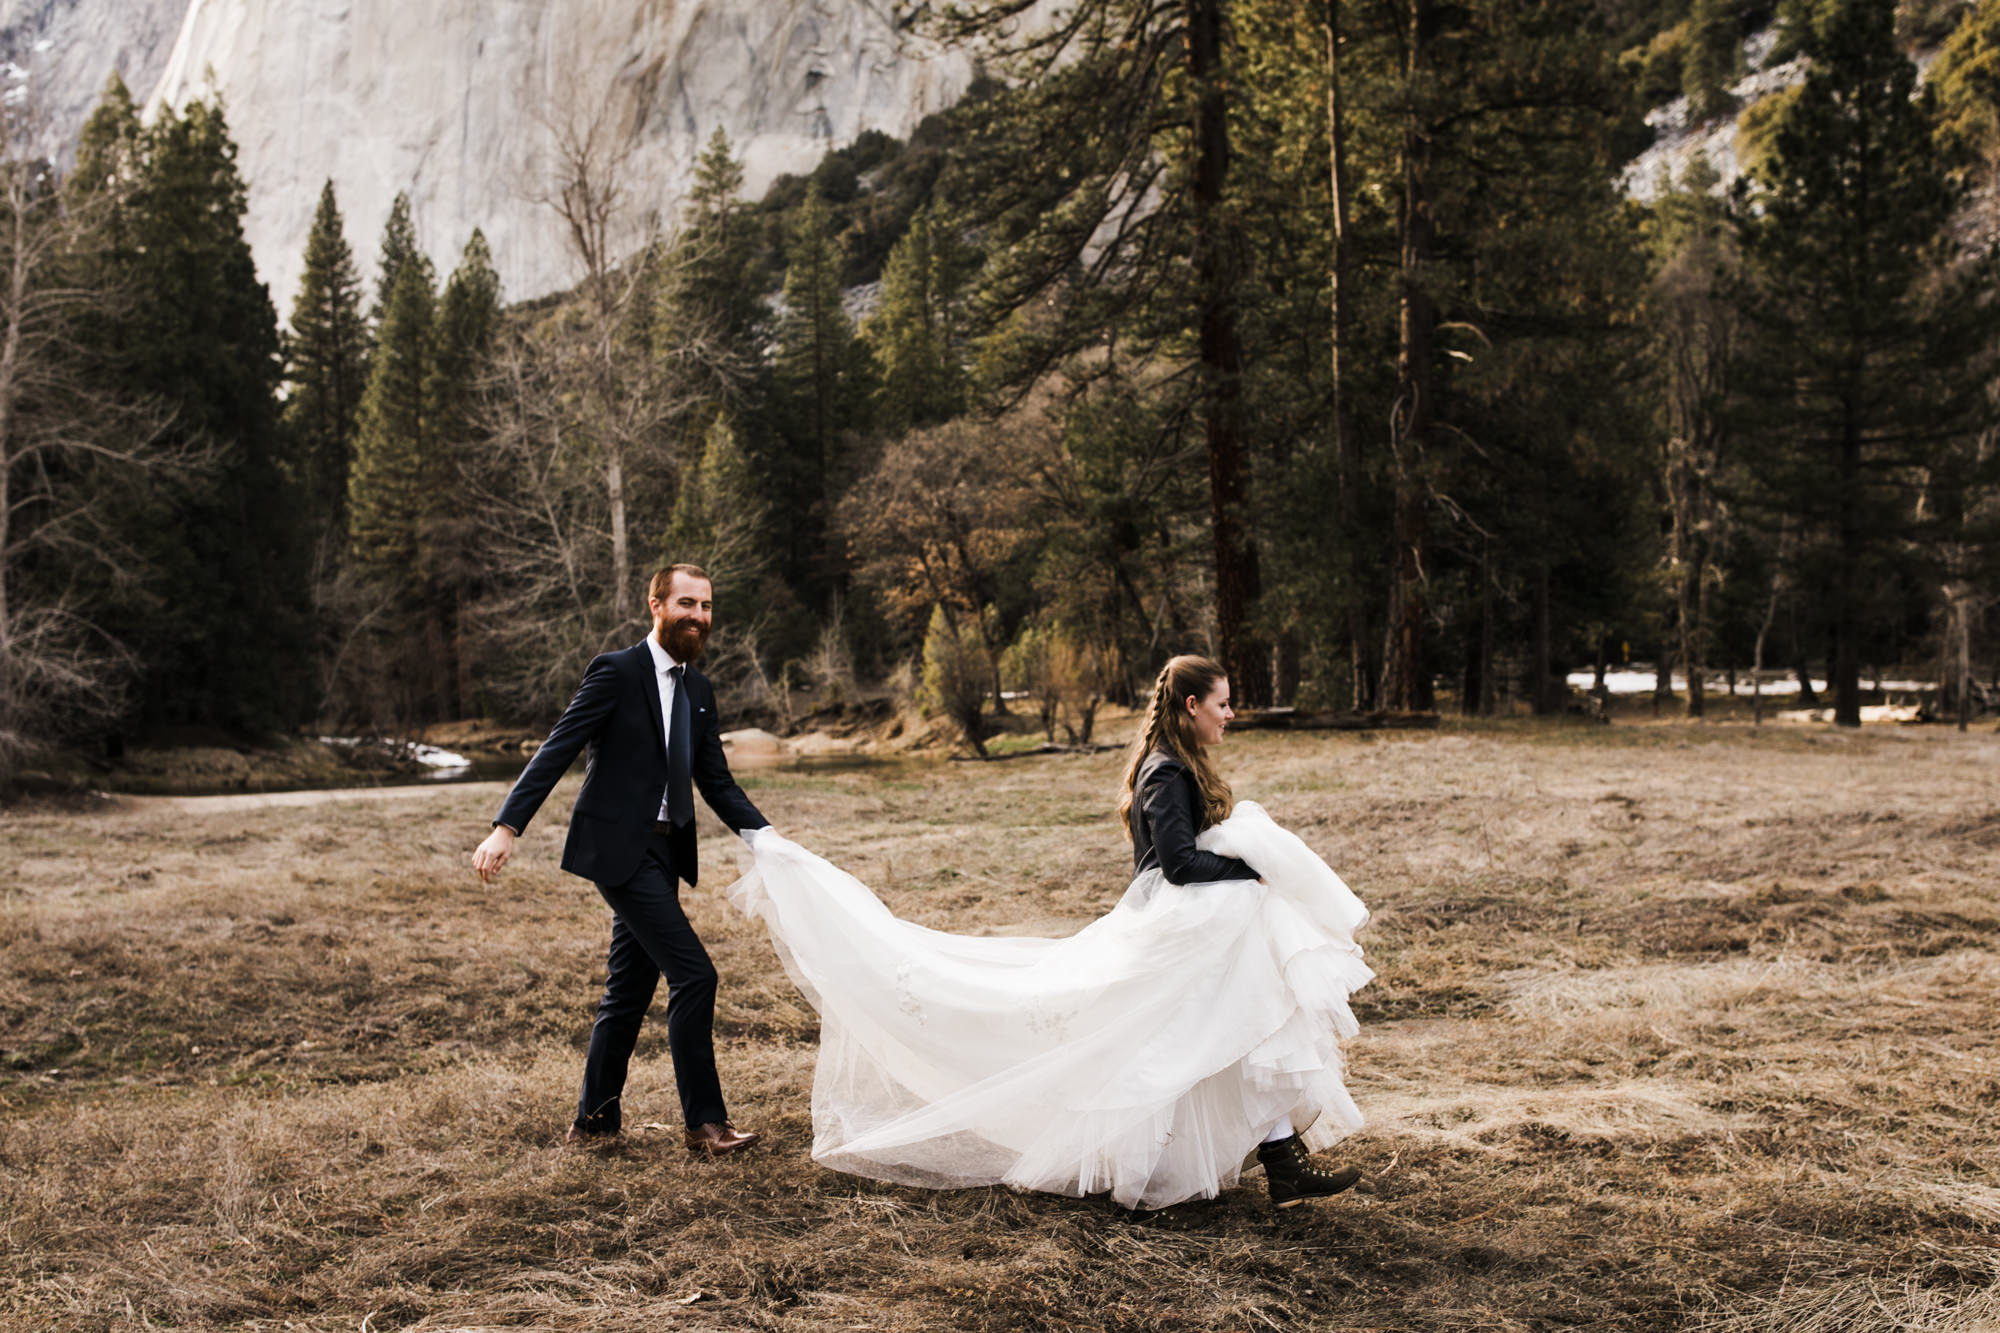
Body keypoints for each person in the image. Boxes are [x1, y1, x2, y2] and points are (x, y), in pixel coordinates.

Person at [728, 654, 1373, 1210]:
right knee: (1171, 1045)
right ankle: (1213, 1167)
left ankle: (1284, 1167)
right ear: (1190, 704)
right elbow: (1177, 865)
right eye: (1224, 704)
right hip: (1171, 930)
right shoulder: (1167, 771)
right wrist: (1251, 871)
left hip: (1182, 929)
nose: (1230, 715)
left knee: (1225, 1033)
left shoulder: (1175, 763)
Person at [472, 564, 770, 1155]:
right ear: (656, 605)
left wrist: (767, 838)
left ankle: (592, 1126)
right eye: (687, 603)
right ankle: (705, 1126)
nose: (699, 616)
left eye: (707, 607)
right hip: (617, 851)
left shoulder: (698, 690)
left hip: (665, 851)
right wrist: (507, 827)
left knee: (628, 993)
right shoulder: (615, 671)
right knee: (695, 974)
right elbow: (558, 747)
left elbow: (716, 781)